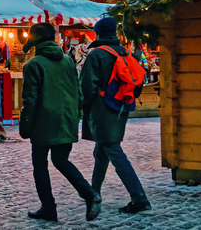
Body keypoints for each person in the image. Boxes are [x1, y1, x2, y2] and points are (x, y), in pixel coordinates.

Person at [20, 23, 101, 222]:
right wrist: (76, 115)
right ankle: (90, 194)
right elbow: (78, 91)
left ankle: (48, 207)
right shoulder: (67, 61)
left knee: (40, 164)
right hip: (66, 119)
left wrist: (26, 125)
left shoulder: (34, 65)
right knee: (61, 160)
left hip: (43, 121)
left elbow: (30, 100)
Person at [80, 17, 151, 214]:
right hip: (120, 107)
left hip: (102, 110)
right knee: (101, 151)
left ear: (98, 33)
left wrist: (83, 106)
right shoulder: (125, 53)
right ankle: (94, 193)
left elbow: (86, 87)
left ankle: (140, 198)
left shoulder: (97, 55)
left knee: (113, 151)